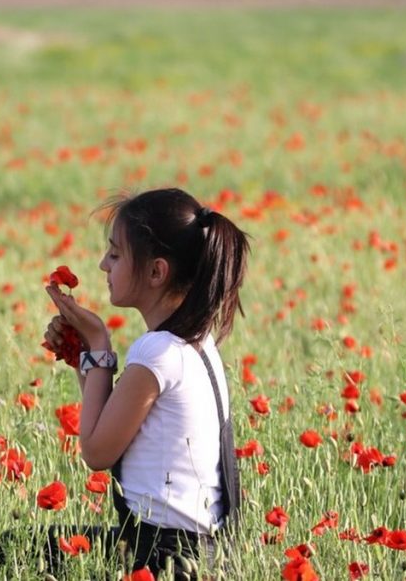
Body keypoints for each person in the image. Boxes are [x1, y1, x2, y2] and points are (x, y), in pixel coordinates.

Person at [40, 187, 250, 579]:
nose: (104, 265)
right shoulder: (196, 344)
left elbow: (97, 452)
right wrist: (81, 355)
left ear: (157, 272)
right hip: (202, 554)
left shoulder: (158, 353)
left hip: (165, 559)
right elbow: (111, 426)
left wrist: (99, 342)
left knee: (19, 551)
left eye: (116, 254)